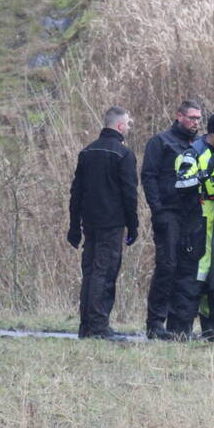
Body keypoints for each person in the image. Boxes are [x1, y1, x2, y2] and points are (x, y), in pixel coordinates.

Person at [67, 106, 139, 340]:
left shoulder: (87, 152)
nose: (129, 128)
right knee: (104, 272)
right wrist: (133, 225)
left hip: (89, 222)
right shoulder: (123, 154)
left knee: (89, 271)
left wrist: (74, 225)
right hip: (112, 223)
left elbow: (76, 192)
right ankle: (99, 327)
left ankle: (86, 326)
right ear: (119, 126)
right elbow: (130, 193)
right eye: (128, 124)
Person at [172, 112, 214, 344]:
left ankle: (213, 331)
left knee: (212, 279)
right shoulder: (193, 153)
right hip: (197, 220)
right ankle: (182, 331)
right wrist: (206, 172)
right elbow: (182, 183)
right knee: (193, 278)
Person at [142, 99, 201, 339]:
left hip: (191, 215)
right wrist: (157, 209)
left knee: (186, 269)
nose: (196, 122)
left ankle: (178, 325)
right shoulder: (161, 142)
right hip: (168, 212)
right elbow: (149, 176)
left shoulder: (197, 145)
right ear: (179, 116)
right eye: (192, 118)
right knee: (167, 266)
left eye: (198, 119)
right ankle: (155, 322)